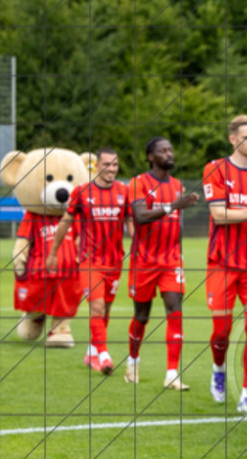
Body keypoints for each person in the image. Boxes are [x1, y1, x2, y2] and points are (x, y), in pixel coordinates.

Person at [202, 115, 247, 414]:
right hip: (222, 263)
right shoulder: (215, 168)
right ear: (233, 139)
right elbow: (219, 214)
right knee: (221, 331)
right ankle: (218, 368)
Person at [125, 137, 201, 389]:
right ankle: (133, 361)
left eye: (170, 149)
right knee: (142, 316)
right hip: (144, 261)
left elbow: (175, 222)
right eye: (163, 150)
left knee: (175, 311)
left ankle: (172, 374)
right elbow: (140, 216)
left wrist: (178, 250)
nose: (169, 153)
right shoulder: (139, 182)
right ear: (151, 157)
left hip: (171, 261)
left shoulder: (177, 185)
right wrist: (172, 206)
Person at [47, 148, 131, 374]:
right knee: (97, 306)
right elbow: (65, 223)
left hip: (114, 261)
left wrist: (140, 244)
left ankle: (92, 350)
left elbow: (131, 223)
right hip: (89, 260)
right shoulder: (82, 192)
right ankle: (103, 356)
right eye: (106, 164)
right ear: (96, 166)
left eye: (115, 165)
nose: (111, 169)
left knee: (106, 308)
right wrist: (53, 252)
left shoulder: (125, 191)